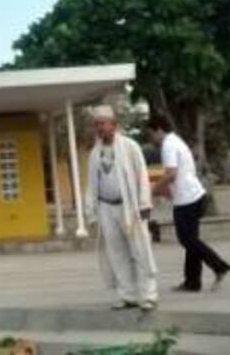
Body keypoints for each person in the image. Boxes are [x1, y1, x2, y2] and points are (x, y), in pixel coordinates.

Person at [85, 105, 159, 311]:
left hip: (130, 207)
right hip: (106, 209)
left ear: (114, 125)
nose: (99, 128)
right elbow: (91, 184)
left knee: (140, 250)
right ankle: (128, 296)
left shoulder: (130, 146)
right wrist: (91, 213)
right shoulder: (95, 153)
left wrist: (144, 203)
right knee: (117, 253)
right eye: (97, 125)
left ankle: (149, 295)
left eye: (103, 124)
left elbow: (142, 175)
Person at [147, 113, 230, 292]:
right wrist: (165, 192)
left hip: (187, 199)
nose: (151, 139)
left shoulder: (168, 145)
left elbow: (171, 173)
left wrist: (153, 189)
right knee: (190, 239)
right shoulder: (175, 141)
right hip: (193, 195)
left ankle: (219, 266)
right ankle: (192, 282)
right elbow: (177, 175)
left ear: (158, 130)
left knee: (187, 239)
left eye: (151, 134)